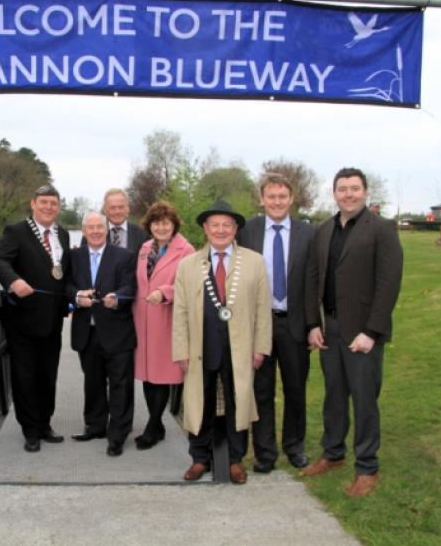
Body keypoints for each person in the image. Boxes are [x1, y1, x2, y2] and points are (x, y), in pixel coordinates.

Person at [303, 167, 403, 498]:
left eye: (355, 188)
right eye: (342, 189)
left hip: (362, 333)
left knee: (363, 399)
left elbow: (388, 284)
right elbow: (313, 280)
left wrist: (371, 331)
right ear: (334, 193)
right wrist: (312, 325)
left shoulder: (382, 229)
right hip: (328, 329)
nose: (348, 194)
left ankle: (367, 467)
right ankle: (333, 454)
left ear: (365, 191)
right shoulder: (323, 230)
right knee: (334, 396)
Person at [173, 200, 272, 484]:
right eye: (214, 225)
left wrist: (260, 347)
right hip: (200, 349)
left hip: (239, 348)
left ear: (235, 228)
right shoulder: (188, 265)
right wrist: (181, 350)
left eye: (226, 225)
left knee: (237, 401)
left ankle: (235, 460)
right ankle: (199, 458)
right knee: (199, 403)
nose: (220, 230)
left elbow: (262, 309)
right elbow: (179, 312)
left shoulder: (254, 262)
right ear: (205, 228)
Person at [238, 174, 314, 473]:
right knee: (261, 390)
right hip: (259, 324)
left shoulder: (308, 232)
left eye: (283, 196)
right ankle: (265, 452)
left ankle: (295, 446)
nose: (277, 201)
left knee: (296, 389)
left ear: (291, 198)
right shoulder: (248, 231)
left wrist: (312, 324)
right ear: (262, 199)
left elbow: (313, 281)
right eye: (271, 196)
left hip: (294, 323)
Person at [0, 185, 71, 452]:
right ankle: (30, 430)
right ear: (33, 203)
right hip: (23, 321)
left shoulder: (62, 234)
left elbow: (63, 271)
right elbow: (1, 262)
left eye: (53, 203)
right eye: (44, 202)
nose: (49, 207)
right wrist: (13, 281)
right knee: (25, 377)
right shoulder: (16, 231)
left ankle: (44, 423)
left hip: (53, 320)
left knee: (48, 376)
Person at [67, 212, 137, 457]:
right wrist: (76, 297)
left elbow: (130, 286)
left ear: (106, 229)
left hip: (117, 330)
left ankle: (117, 434)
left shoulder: (125, 256)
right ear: (83, 230)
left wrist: (117, 299)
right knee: (93, 380)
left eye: (100, 227)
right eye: (90, 227)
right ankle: (95, 426)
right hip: (87, 330)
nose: (95, 231)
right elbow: (65, 285)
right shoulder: (74, 256)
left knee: (120, 384)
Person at [132, 201, 195, 450]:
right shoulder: (145, 248)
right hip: (143, 320)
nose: (161, 227)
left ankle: (153, 424)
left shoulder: (186, 250)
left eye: (166, 222)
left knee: (162, 376)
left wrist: (165, 292)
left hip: (168, 320)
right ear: (150, 225)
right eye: (156, 222)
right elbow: (140, 281)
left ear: (174, 224)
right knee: (148, 376)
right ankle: (157, 425)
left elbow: (189, 284)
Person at [101, 188, 147, 253]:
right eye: (112, 208)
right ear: (105, 210)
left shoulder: (141, 234)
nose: (117, 211)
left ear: (128, 208)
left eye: (121, 207)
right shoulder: (93, 234)